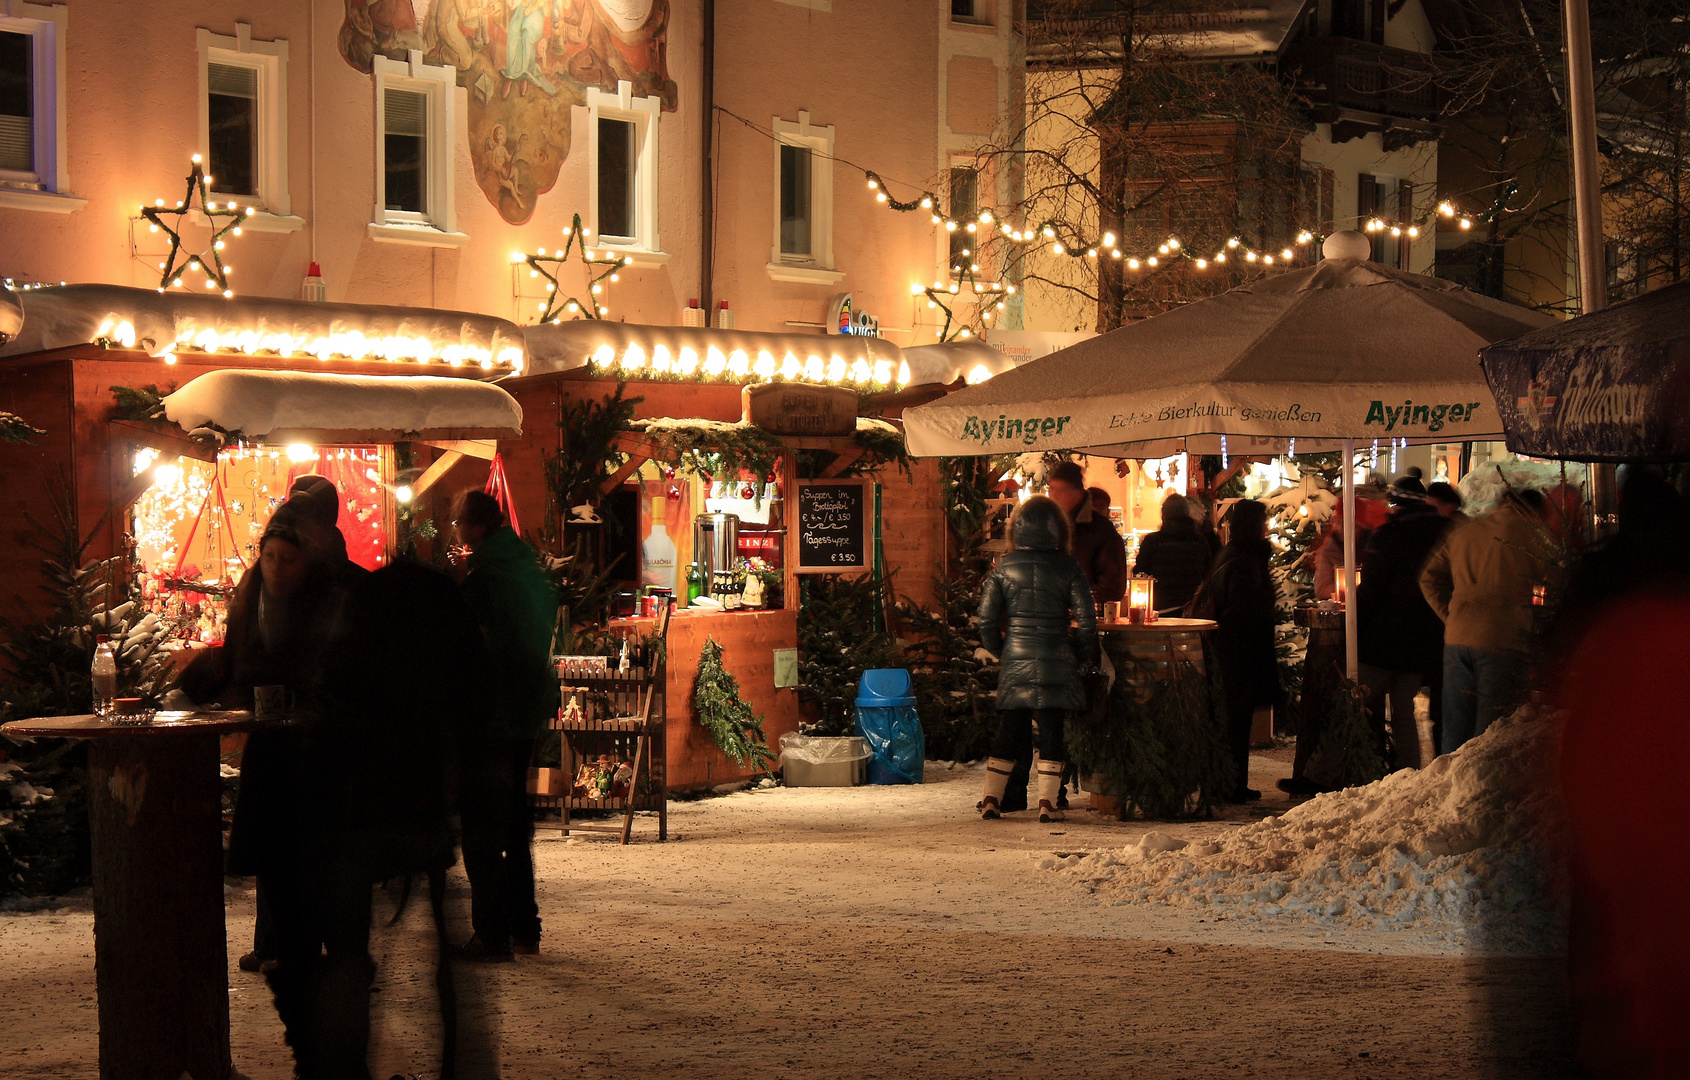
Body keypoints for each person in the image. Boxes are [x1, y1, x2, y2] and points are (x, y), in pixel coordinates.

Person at [222, 495, 368, 1076]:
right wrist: (220, 678)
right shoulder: (252, 600)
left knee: (339, 922)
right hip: (276, 778)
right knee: (289, 925)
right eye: (270, 558)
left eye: (288, 559)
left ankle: (343, 1053)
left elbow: (352, 682)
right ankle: (310, 1050)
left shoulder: (336, 603)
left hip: (329, 782)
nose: (277, 570)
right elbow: (241, 666)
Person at [453, 490, 559, 961]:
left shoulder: (483, 580)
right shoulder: (525, 568)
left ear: (474, 528)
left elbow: (472, 650)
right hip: (526, 707)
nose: (456, 533)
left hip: (491, 713)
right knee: (516, 824)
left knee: (481, 825)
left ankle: (492, 933)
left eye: (458, 525)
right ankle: (524, 926)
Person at [975, 496, 1098, 822]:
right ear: (1059, 529)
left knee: (1010, 728)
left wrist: (1003, 653)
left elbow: (986, 620)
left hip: (1017, 658)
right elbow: (1087, 621)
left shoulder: (1004, 567)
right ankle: (1047, 803)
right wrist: (1085, 657)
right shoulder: (1068, 566)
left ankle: (991, 799)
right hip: (1057, 657)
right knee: (1052, 728)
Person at [1419, 488, 1550, 754]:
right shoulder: (1534, 537)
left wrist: (1450, 615)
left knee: (1455, 725)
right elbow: (1554, 585)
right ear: (1533, 511)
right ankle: (1478, 789)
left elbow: (1428, 579)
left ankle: (1447, 787)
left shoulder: (1465, 531)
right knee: (1489, 730)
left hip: (1457, 637)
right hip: (1503, 639)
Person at [1353, 476, 1452, 771]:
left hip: (1385, 638)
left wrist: (1354, 623)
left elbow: (1372, 587)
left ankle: (1358, 767)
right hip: (1427, 639)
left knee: (1358, 703)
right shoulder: (1445, 533)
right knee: (1406, 714)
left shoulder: (1389, 535)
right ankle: (1408, 770)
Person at [1192, 499, 1278, 802]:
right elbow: (1245, 607)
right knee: (1235, 721)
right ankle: (1230, 785)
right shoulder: (1246, 559)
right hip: (1240, 651)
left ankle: (1227, 782)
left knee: (1230, 719)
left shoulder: (1229, 553)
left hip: (1227, 649)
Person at [1044, 461, 1127, 605]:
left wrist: (1072, 602)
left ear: (1079, 493)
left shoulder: (1101, 531)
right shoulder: (1040, 525)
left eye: (1062, 489)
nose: (1055, 494)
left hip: (1084, 620)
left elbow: (1112, 588)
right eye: (1052, 488)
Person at [1131, 493, 1214, 616]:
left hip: (1159, 610)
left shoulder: (1152, 541)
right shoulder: (1200, 541)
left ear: (1163, 515)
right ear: (1187, 513)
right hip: (1191, 610)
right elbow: (1208, 575)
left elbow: (1140, 574)